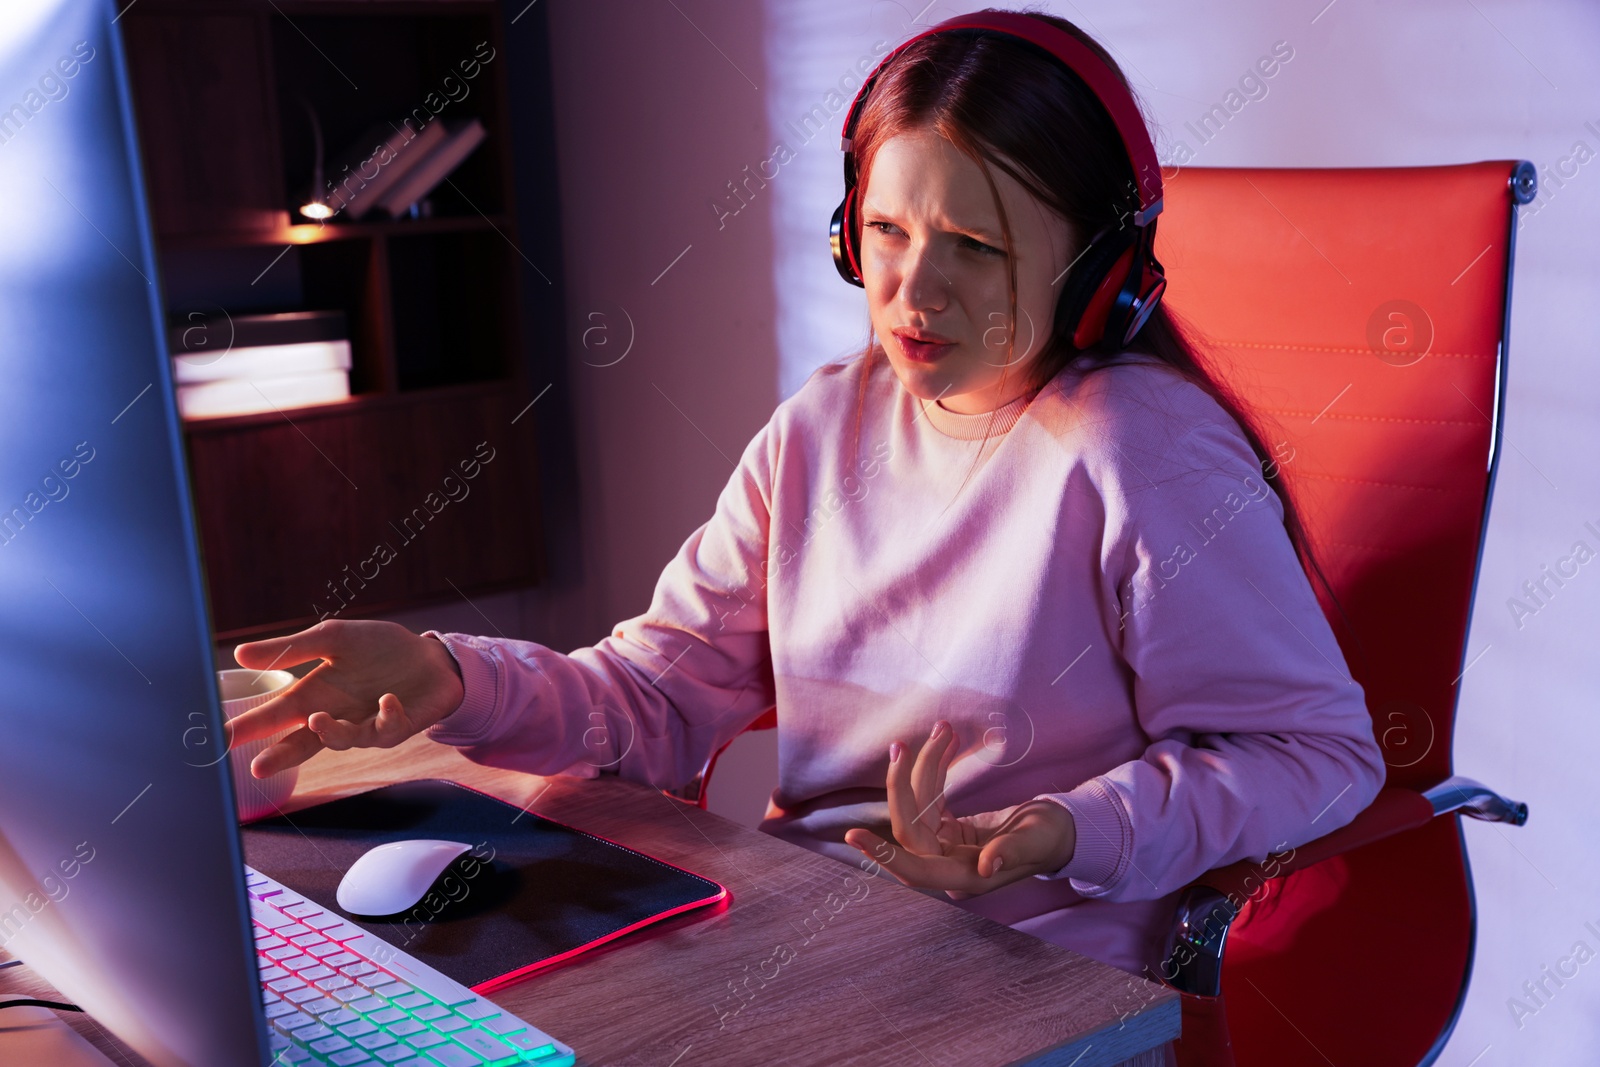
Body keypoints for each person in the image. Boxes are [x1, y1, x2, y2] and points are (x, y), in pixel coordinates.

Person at [229, 9, 1384, 982]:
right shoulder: (822, 429)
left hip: (1027, 976)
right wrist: (449, 673)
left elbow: (1315, 752)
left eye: (973, 246)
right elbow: (652, 697)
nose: (911, 289)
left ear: (1095, 265)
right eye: (884, 230)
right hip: (810, 941)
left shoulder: (1142, 453)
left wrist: (1058, 830)